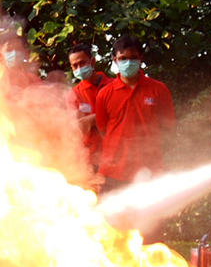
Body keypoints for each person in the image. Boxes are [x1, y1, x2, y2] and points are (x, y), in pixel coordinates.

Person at [95, 35, 175, 194]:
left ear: (141, 58)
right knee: (109, 219)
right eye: (122, 58)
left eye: (133, 58)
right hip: (112, 173)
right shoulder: (104, 94)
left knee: (150, 219)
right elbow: (103, 130)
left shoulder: (159, 90)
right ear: (114, 60)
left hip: (149, 172)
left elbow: (168, 128)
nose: (128, 62)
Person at [66, 44, 114, 172]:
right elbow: (76, 127)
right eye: (75, 66)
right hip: (90, 159)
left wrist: (91, 119)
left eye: (82, 63)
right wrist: (103, 117)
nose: (79, 68)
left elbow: (121, 116)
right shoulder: (74, 94)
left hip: (117, 156)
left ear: (92, 61)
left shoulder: (114, 86)